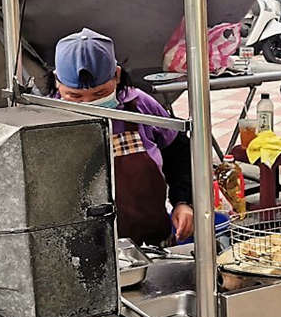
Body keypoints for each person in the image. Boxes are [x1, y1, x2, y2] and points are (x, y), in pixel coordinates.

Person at [52, 28, 193, 245]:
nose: (89, 104)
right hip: (80, 249)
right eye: (75, 96)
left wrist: (183, 201)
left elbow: (179, 153)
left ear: (116, 75)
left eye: (99, 94)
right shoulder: (43, 118)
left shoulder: (140, 106)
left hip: (150, 243)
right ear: (57, 82)